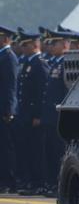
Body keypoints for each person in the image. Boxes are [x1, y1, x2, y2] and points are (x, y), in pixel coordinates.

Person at [14, 32, 48, 195]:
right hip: (25, 113)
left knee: (36, 150)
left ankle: (38, 182)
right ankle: (30, 182)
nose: (23, 48)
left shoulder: (39, 64)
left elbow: (42, 92)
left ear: (34, 45)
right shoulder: (28, 63)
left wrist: (38, 115)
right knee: (27, 148)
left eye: (25, 45)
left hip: (33, 114)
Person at [41, 31, 68, 196]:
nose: (51, 47)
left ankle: (58, 185)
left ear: (65, 44)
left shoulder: (66, 63)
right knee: (50, 151)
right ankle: (52, 183)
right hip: (50, 115)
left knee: (59, 151)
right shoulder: (55, 63)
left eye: (55, 43)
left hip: (59, 115)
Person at [0, 26, 18, 193]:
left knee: (6, 147)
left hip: (4, 110)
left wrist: (9, 110)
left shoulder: (8, 57)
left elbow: (11, 86)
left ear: (5, 39)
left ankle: (8, 181)